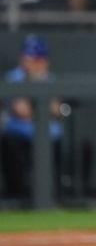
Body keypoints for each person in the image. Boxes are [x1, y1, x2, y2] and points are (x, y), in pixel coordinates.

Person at [0, 35, 63, 199]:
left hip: (49, 134)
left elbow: (58, 110)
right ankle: (19, 196)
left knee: (55, 142)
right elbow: (22, 111)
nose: (28, 62)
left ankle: (53, 195)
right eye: (27, 57)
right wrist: (42, 111)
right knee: (10, 144)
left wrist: (38, 109)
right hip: (20, 134)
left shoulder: (49, 78)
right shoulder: (14, 77)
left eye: (34, 58)